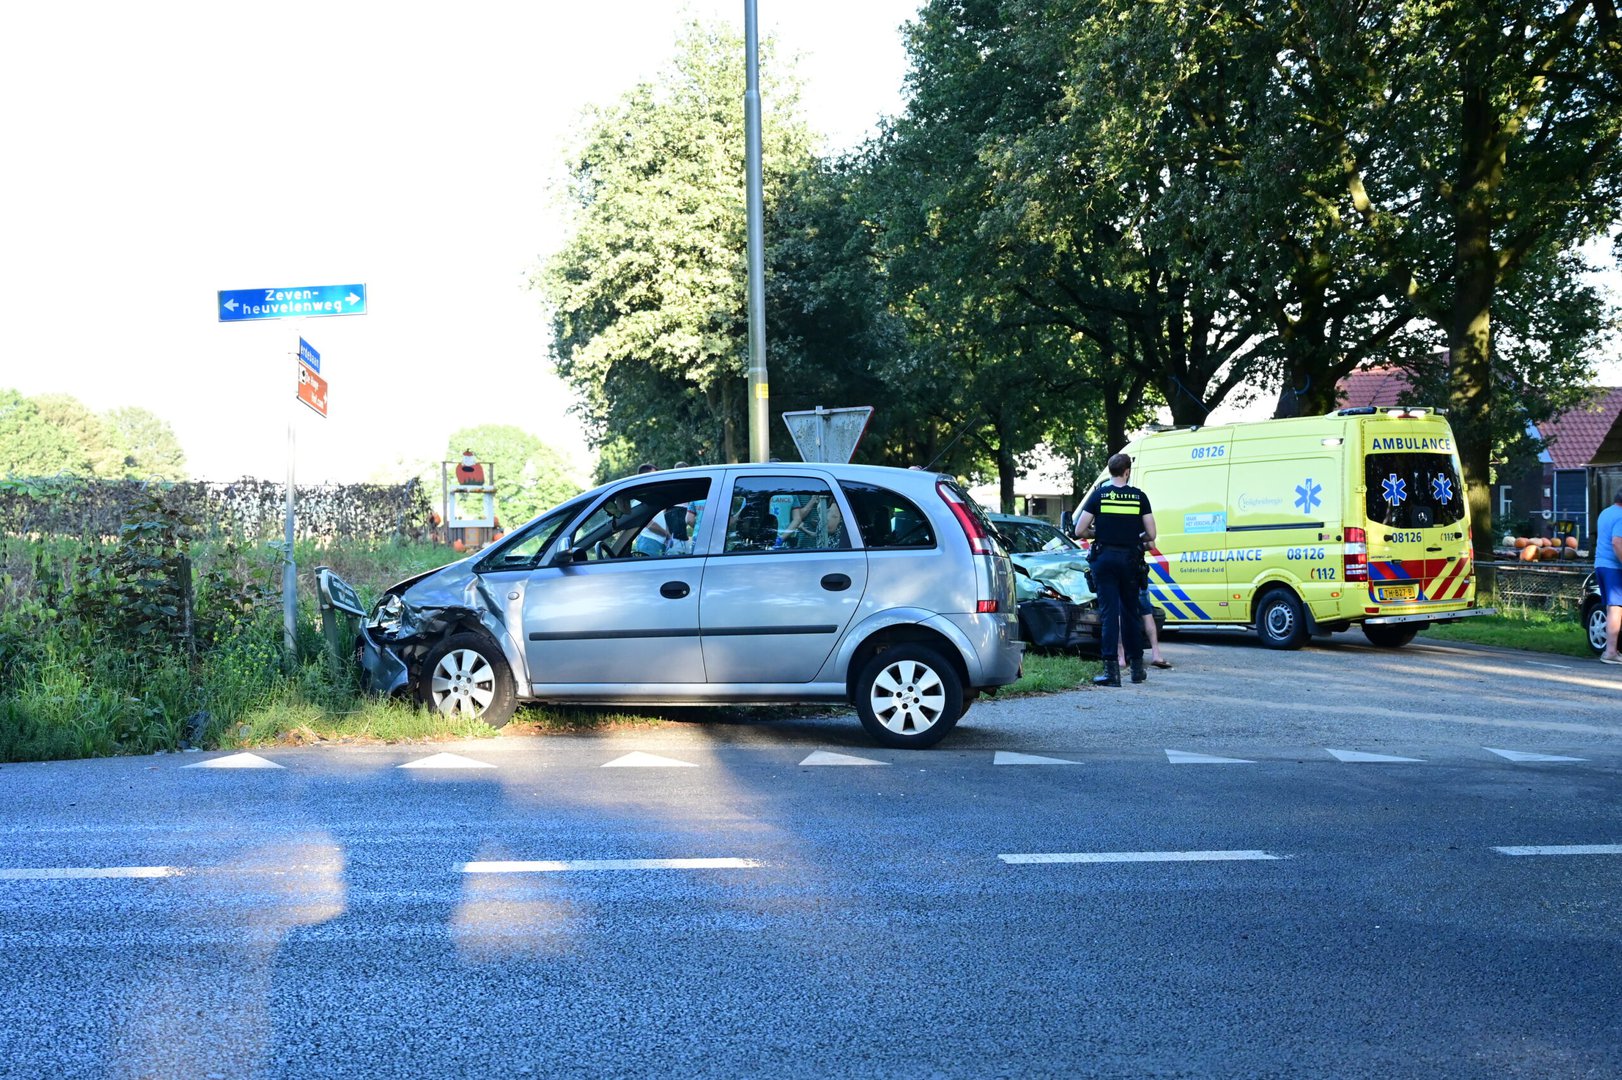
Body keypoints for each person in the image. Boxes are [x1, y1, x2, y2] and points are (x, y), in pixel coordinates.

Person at [1071, 453, 1156, 687]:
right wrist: (1132, 536)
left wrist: (1099, 532)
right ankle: (1137, 670)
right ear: (1127, 471)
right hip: (1130, 560)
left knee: (1109, 614)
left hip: (1105, 559)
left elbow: (1079, 530)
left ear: (1110, 471)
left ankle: (1111, 672)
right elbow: (1151, 534)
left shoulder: (1099, 495)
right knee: (1131, 613)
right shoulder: (1139, 497)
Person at [1597, 487, 1622, 665]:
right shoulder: (1621, 516)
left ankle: (1612, 649)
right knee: (1616, 607)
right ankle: (1610, 652)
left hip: (1601, 564)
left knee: (1611, 607)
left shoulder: (1606, 512)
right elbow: (1617, 542)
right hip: (1614, 567)